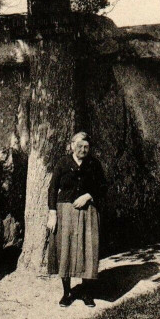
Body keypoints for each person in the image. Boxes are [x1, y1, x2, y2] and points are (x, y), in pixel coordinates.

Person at [46, 131, 107, 307]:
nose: (82, 149)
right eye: (79, 146)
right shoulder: (63, 163)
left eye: (86, 147)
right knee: (65, 251)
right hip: (65, 212)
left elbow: (103, 186)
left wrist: (88, 196)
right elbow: (52, 188)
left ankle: (87, 293)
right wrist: (52, 213)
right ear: (72, 145)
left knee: (88, 251)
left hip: (89, 212)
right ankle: (67, 293)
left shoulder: (94, 164)